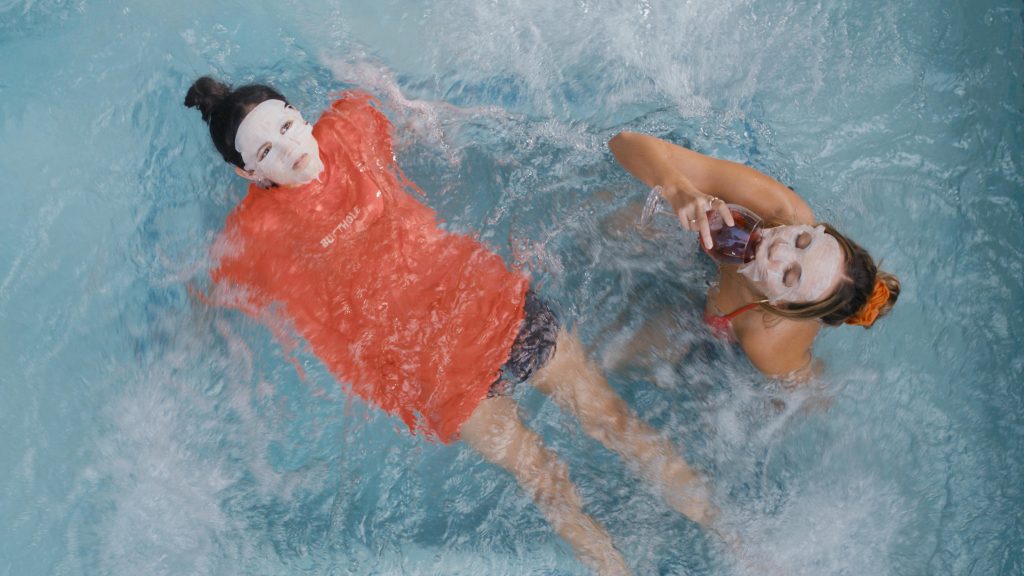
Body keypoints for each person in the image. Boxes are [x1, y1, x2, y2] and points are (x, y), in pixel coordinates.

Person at [185, 76, 712, 575]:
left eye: (285, 126)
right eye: (264, 153)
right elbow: (211, 293)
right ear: (249, 176)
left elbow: (413, 113)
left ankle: (735, 541)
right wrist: (190, 339)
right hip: (437, 376)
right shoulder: (256, 232)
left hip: (491, 305)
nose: (288, 148)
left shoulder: (350, 123)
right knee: (545, 479)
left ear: (299, 115)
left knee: (613, 422)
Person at [608, 132, 900, 381]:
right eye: (801, 240)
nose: (779, 249)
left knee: (613, 356)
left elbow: (798, 389)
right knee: (612, 220)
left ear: (781, 304)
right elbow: (622, 142)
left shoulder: (767, 342)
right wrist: (678, 188)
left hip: (716, 323)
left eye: (789, 274)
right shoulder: (778, 209)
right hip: (707, 259)